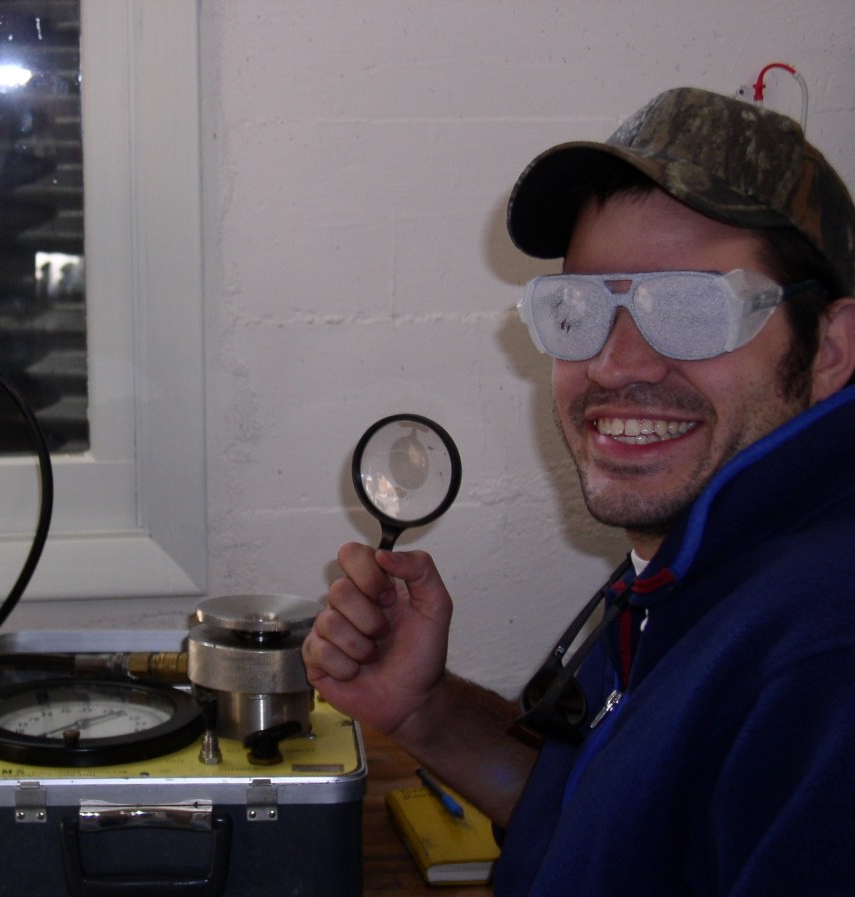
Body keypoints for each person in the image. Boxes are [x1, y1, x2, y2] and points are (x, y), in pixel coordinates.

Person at [302, 86, 855, 896]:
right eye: (580, 307)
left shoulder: (823, 654)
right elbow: (617, 826)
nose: (615, 364)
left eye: (691, 307)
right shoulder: (705, 554)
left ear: (831, 348)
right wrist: (426, 711)